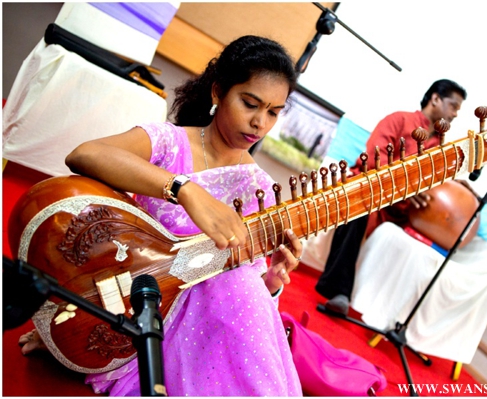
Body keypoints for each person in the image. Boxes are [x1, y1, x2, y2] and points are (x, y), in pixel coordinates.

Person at [20, 35, 304, 397]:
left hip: (206, 323)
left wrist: (274, 282)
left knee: (242, 286)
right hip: (137, 295)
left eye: (274, 112)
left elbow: (242, 303)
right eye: (250, 104)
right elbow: (85, 154)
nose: (259, 123)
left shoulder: (259, 187)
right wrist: (184, 190)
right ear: (217, 92)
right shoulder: (172, 143)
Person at [315, 79, 467, 315]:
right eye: (454, 105)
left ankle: (386, 316)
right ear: (435, 99)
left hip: (400, 212)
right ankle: (339, 292)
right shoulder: (399, 120)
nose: (456, 114)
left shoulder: (440, 145)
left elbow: (435, 184)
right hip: (372, 190)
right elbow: (375, 160)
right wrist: (404, 189)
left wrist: (456, 186)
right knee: (360, 200)